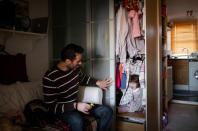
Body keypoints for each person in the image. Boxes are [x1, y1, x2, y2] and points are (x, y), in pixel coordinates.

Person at [42, 44, 113, 131]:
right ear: (68, 61)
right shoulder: (50, 77)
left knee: (107, 111)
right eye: (78, 61)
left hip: (77, 106)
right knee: (76, 120)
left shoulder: (75, 70)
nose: (80, 63)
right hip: (64, 111)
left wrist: (98, 82)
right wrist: (75, 106)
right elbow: (51, 107)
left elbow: (84, 78)